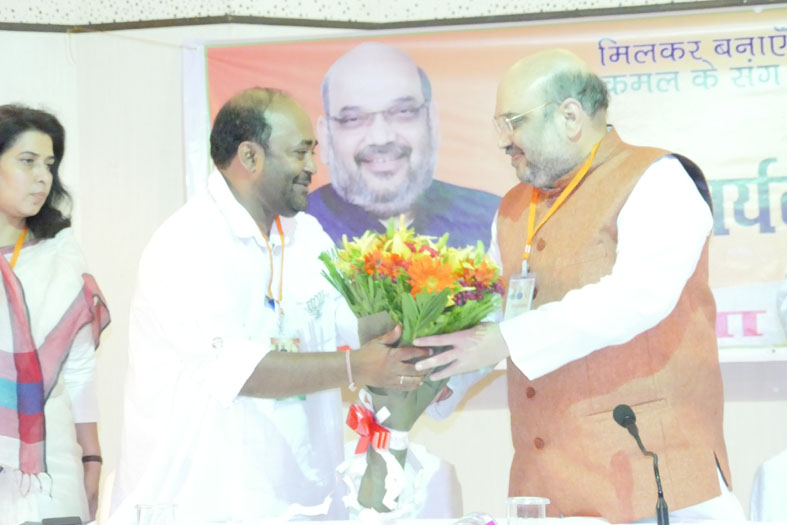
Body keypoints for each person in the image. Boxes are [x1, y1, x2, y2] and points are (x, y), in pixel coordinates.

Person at [413, 49, 744, 523]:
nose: (505, 142)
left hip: (653, 481)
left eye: (513, 122)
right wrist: (438, 375)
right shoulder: (511, 208)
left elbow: (637, 296)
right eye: (499, 126)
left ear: (570, 116)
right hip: (547, 484)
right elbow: (491, 318)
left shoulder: (658, 178)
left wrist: (504, 339)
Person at [109, 88, 430, 524]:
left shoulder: (307, 235)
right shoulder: (188, 243)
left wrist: (424, 316)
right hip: (200, 505)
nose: (312, 168)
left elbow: (351, 324)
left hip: (304, 503)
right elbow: (242, 371)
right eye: (300, 152)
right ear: (250, 156)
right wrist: (359, 366)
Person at [0, 104, 109, 524]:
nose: (43, 177)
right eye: (27, 162)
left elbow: (79, 368)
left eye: (49, 164)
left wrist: (92, 457)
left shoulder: (60, 253)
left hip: (48, 467)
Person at [309, 42, 500, 248]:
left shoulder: (493, 219)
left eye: (403, 112)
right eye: (353, 119)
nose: (381, 138)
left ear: (432, 124)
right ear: (326, 137)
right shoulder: (297, 230)